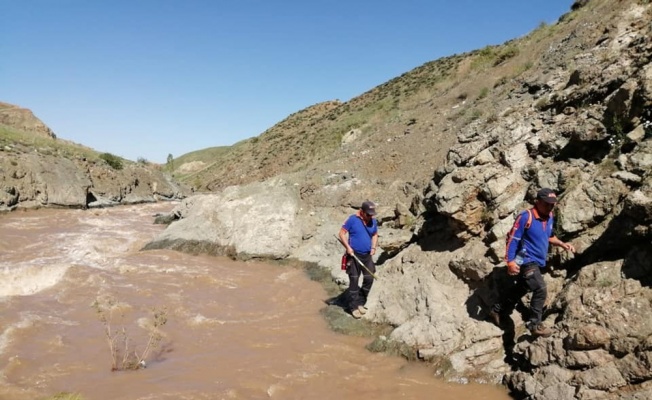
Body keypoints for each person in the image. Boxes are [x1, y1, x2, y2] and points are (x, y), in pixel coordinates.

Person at [489, 188, 575, 337]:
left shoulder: (549, 216)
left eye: (552, 204)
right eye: (547, 204)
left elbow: (549, 236)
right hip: (526, 260)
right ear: (538, 202)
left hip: (538, 261)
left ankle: (496, 310)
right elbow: (513, 239)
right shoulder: (525, 217)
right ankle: (535, 325)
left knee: (522, 288)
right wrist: (510, 262)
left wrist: (562, 244)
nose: (550, 207)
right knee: (540, 288)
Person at [338, 200, 379, 319]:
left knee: (369, 278)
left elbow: (375, 234)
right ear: (362, 212)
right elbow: (341, 233)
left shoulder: (373, 221)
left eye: (372, 214)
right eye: (368, 214)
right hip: (354, 256)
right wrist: (348, 248)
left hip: (367, 256)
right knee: (354, 281)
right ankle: (353, 307)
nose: (370, 216)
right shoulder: (352, 220)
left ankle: (361, 301)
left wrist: (373, 247)